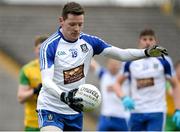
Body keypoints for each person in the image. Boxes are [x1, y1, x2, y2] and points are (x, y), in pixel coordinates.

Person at [37, 2, 167, 131]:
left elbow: (121, 54)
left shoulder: (90, 42)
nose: (76, 28)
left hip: (75, 110)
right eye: (72, 24)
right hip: (51, 108)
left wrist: (145, 52)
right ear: (61, 21)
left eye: (80, 24)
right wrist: (64, 96)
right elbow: (46, 81)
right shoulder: (49, 46)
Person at [111, 29, 180, 131]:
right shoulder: (130, 61)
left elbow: (175, 85)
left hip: (157, 111)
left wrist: (178, 109)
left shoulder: (164, 61)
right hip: (136, 111)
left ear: (155, 42)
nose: (147, 42)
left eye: (151, 39)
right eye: (144, 39)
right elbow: (116, 83)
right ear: (139, 41)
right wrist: (124, 98)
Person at [17, 35, 48, 131]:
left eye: (45, 48)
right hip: (33, 124)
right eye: (40, 48)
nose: (42, 51)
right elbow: (21, 98)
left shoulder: (59, 68)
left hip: (54, 122)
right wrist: (35, 90)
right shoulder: (27, 70)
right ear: (35, 50)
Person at [90, 58, 131, 131]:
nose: (113, 66)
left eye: (115, 64)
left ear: (120, 65)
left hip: (122, 117)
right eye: (111, 64)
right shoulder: (103, 74)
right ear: (107, 65)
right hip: (106, 117)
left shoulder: (125, 77)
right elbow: (93, 64)